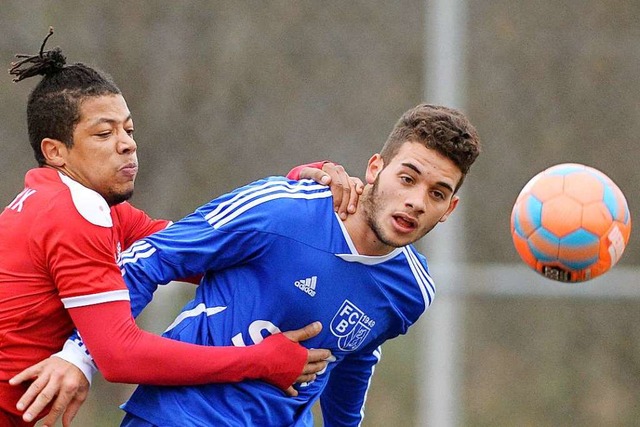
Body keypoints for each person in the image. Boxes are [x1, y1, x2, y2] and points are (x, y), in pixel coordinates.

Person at [0, 28, 362, 427]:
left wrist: (294, 195)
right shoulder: (74, 213)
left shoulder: (89, 208)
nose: (127, 144)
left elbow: (209, 247)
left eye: (129, 130)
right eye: (104, 133)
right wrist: (257, 361)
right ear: (55, 151)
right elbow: (120, 355)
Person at [70, 103, 480, 426]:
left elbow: (354, 358)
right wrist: (79, 357)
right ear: (376, 168)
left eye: (438, 194)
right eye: (407, 179)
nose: (417, 202)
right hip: (182, 416)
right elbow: (146, 261)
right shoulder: (280, 210)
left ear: (449, 209)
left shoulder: (411, 289)